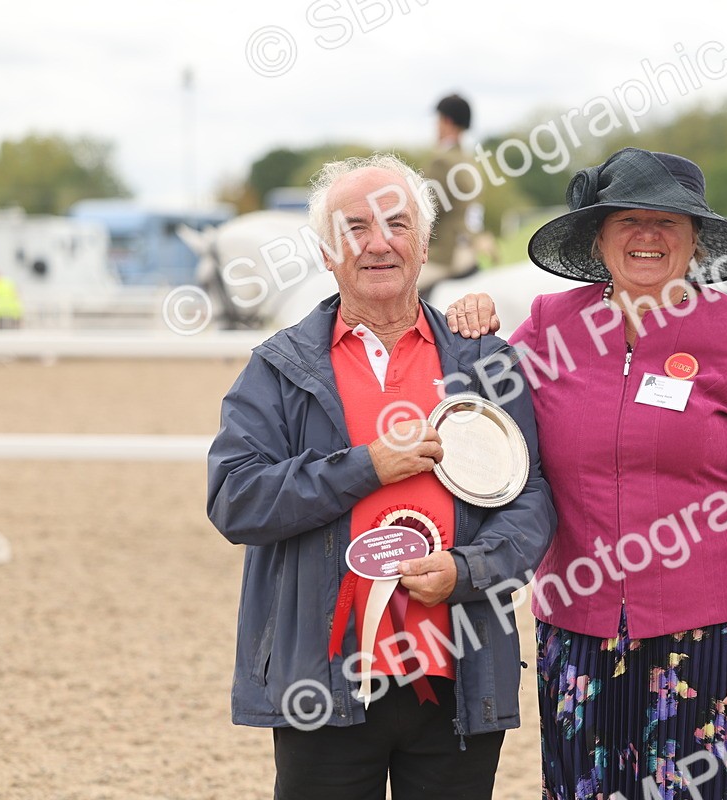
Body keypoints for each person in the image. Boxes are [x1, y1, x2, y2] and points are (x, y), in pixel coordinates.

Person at [447, 147, 727, 799]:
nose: (647, 235)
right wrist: (467, 327)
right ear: (598, 236)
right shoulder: (551, 325)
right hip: (575, 632)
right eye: (627, 220)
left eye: (667, 221)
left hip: (707, 639)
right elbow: (469, 414)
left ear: (695, 239)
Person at [207, 154, 556, 800]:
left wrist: (469, 571)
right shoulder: (278, 369)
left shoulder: (482, 359)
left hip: (458, 675)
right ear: (326, 252)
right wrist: (366, 466)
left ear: (423, 245)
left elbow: (530, 497)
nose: (378, 243)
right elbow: (236, 498)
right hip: (322, 683)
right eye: (355, 228)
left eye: (397, 224)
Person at [419, 93, 482, 293]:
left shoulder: (442, 161)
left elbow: (426, 210)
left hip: (444, 255)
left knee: (393, 291)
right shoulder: (469, 160)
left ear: (446, 121)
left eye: (437, 120)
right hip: (468, 248)